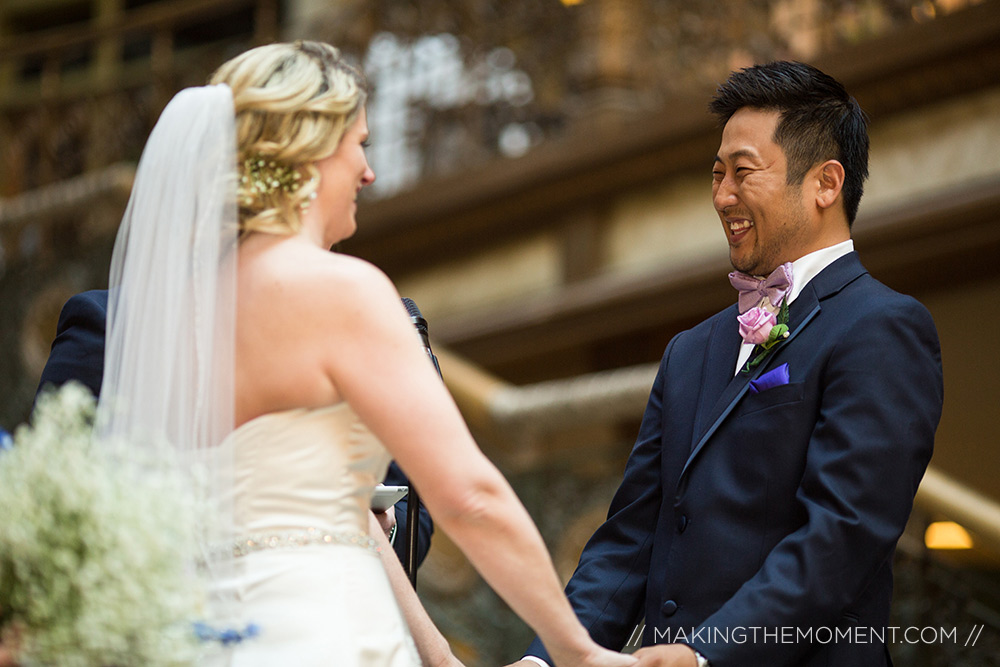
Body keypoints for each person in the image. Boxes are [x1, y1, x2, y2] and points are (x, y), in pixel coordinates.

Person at [90, 41, 636, 667]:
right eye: (361, 145)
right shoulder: (343, 291)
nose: (368, 173)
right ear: (312, 152)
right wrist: (578, 651)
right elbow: (470, 497)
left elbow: (345, 516)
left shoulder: (174, 315)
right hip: (324, 633)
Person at [515, 61, 943, 667]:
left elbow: (842, 537)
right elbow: (632, 538)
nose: (721, 197)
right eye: (717, 175)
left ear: (826, 184)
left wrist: (703, 653)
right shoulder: (689, 349)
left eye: (743, 173)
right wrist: (546, 659)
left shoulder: (882, 327)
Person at [35, 288, 434, 566]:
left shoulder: (354, 329)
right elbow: (50, 498)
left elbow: (415, 510)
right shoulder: (108, 324)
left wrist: (382, 531)